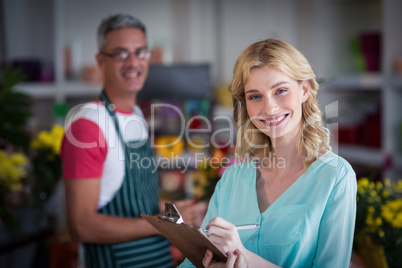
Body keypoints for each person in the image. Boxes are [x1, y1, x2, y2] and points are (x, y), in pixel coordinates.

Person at [179, 39, 357, 267]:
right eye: (255, 96)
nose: (269, 108)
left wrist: (245, 257)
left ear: (305, 89)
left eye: (280, 90)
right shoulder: (233, 179)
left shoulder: (335, 176)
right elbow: (193, 261)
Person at [61, 14, 201, 268]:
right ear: (101, 61)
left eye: (140, 52)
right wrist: (162, 224)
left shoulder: (136, 116)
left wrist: (174, 213)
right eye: (121, 54)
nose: (133, 62)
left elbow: (137, 200)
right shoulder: (88, 127)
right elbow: (81, 226)